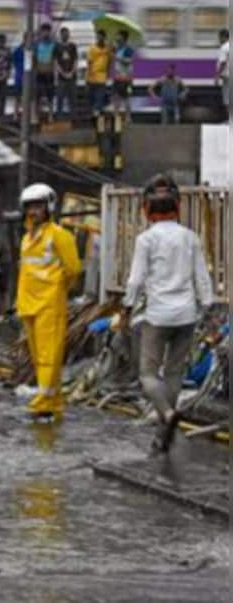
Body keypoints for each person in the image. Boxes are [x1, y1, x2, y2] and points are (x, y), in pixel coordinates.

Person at [123, 175, 215, 452]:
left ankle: (166, 413)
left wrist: (127, 305)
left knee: (148, 374)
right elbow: (202, 277)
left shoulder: (146, 239)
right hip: (187, 314)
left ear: (148, 211)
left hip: (157, 315)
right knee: (175, 372)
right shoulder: (190, 237)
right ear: (177, 208)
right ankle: (163, 435)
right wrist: (207, 306)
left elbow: (136, 280)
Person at [15, 183, 82, 423]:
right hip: (28, 302)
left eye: (38, 206)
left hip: (49, 303)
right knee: (37, 355)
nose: (33, 211)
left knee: (49, 355)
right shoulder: (26, 238)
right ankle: (51, 400)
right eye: (30, 207)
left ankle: (46, 401)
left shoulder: (59, 235)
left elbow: (73, 269)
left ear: (49, 207)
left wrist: (57, 289)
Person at [53, 27, 78, 119]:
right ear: (61, 35)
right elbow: (55, 62)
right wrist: (63, 73)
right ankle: (59, 115)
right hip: (61, 77)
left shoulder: (73, 46)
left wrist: (72, 72)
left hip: (72, 76)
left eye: (67, 33)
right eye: (63, 34)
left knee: (72, 97)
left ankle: (73, 115)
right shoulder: (57, 46)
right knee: (60, 96)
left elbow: (75, 60)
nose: (65, 35)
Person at [86, 30, 112, 117]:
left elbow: (110, 61)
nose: (99, 38)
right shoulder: (92, 48)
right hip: (92, 76)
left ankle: (97, 112)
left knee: (100, 96)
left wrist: (108, 72)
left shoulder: (107, 49)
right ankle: (94, 113)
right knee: (91, 97)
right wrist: (89, 75)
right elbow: (89, 62)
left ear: (104, 38)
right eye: (98, 36)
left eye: (101, 36)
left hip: (102, 76)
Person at [33, 23, 57, 119]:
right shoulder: (36, 44)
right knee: (37, 95)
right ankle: (36, 115)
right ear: (41, 32)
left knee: (50, 95)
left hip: (49, 73)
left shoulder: (53, 44)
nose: (46, 33)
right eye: (44, 31)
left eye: (48, 31)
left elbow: (55, 59)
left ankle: (50, 115)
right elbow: (34, 59)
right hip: (39, 73)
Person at [112, 30, 135, 122]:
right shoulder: (117, 49)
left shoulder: (128, 49)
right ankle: (115, 116)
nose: (117, 38)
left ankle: (128, 118)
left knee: (127, 98)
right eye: (117, 36)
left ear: (124, 38)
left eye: (119, 36)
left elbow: (129, 61)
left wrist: (117, 58)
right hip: (117, 78)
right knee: (115, 97)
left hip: (126, 79)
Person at [12, 32, 31, 121]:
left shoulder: (31, 50)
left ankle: (25, 114)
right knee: (17, 97)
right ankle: (16, 115)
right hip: (19, 76)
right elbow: (14, 62)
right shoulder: (18, 50)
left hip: (29, 78)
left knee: (27, 97)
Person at [217, 29, 229, 119]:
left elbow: (223, 63)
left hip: (227, 77)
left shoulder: (224, 47)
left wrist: (217, 75)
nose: (219, 39)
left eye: (219, 37)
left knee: (227, 100)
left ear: (223, 37)